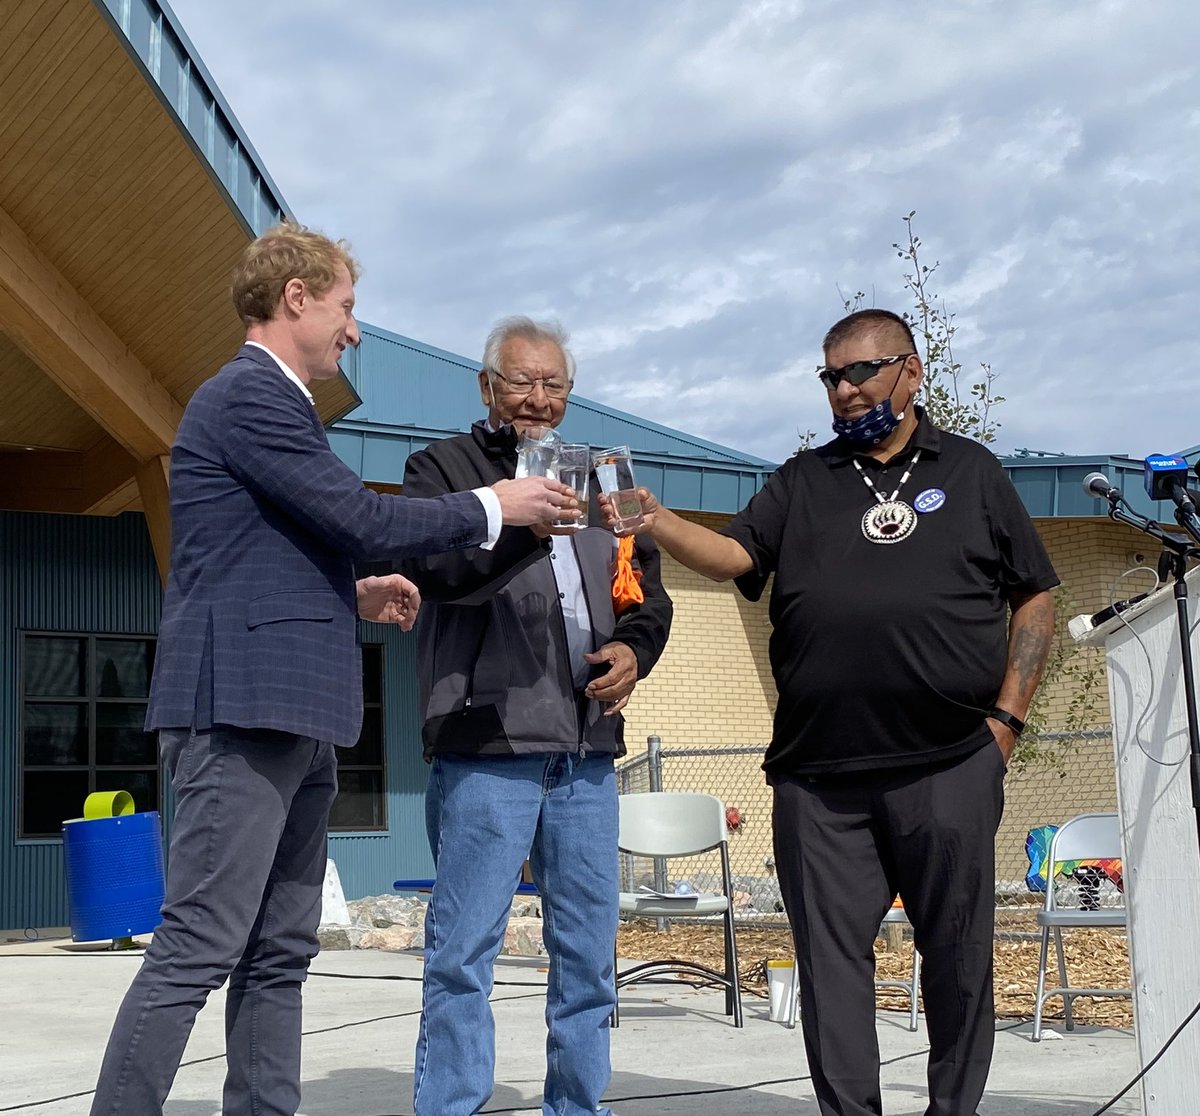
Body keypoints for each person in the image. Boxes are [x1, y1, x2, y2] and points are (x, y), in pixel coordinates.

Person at [89, 225, 577, 1116]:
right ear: (298, 298)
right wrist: (493, 505)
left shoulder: (276, 411)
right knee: (199, 943)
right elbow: (362, 516)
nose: (355, 330)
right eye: (348, 307)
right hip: (238, 713)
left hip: (297, 717)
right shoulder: (250, 397)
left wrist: (348, 595)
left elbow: (255, 552)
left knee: (280, 949)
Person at [603, 308, 1057, 1116]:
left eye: (860, 373)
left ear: (910, 372)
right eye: (830, 378)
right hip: (820, 781)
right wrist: (656, 519)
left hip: (950, 761)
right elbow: (735, 556)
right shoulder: (803, 481)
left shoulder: (975, 472)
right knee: (831, 970)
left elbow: (1036, 596)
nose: (844, 391)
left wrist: (1005, 726)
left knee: (958, 961)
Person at [400, 316, 673, 1116]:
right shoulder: (441, 468)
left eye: (554, 384)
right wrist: (524, 521)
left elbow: (644, 592)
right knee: (463, 958)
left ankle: (576, 1107)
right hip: (488, 751)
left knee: (588, 962)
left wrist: (634, 651)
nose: (538, 398)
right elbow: (438, 572)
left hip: (587, 761)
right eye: (521, 381)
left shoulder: (604, 478)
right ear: (487, 387)